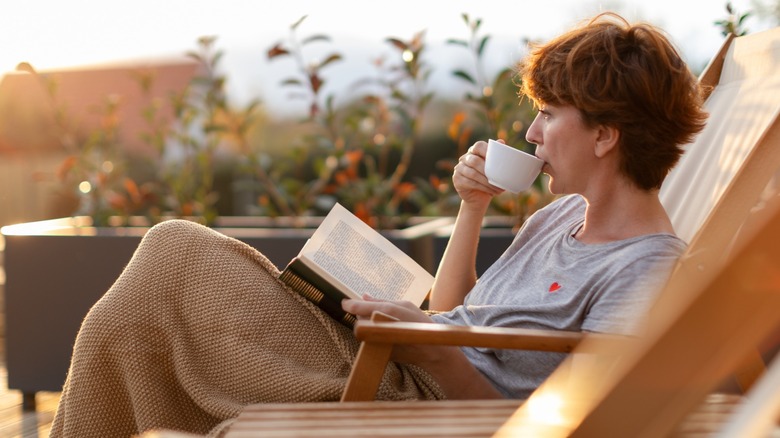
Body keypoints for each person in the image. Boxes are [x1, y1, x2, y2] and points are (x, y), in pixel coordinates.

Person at [50, 11, 707, 438]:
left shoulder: (645, 268)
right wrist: (471, 208)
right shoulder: (563, 215)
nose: (531, 133)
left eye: (550, 114)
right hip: (407, 355)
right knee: (156, 283)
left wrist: (424, 347)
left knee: (172, 263)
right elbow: (456, 310)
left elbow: (585, 420)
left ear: (605, 137)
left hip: (422, 401)